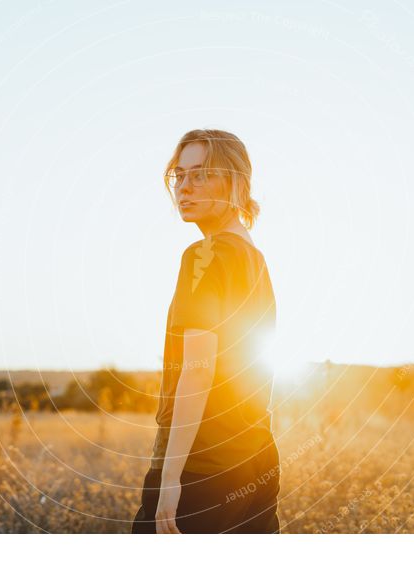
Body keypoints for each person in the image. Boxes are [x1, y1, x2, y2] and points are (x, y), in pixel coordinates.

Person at [131, 129, 281, 534]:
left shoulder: (205, 254)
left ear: (234, 181)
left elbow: (198, 369)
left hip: (202, 461)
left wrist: (171, 479)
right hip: (257, 456)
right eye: (179, 176)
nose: (185, 187)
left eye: (200, 175)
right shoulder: (254, 258)